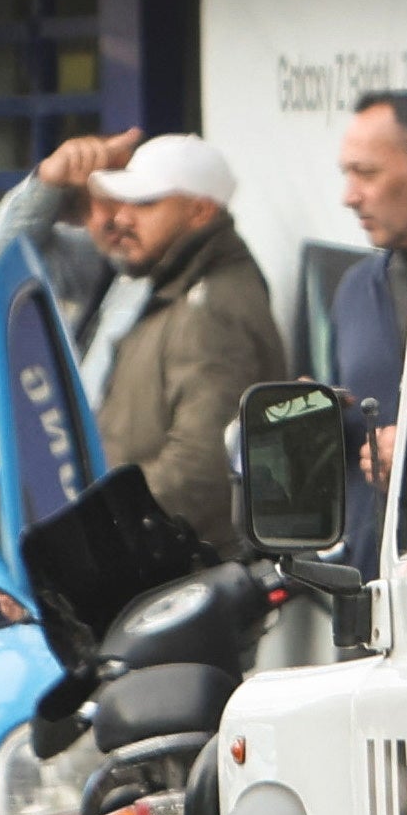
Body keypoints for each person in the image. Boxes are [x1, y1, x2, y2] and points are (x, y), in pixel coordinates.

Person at [80, 135, 287, 550]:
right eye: (124, 202)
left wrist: (100, 538)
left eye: (146, 204)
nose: (122, 218)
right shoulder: (176, 286)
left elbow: (201, 465)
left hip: (173, 571)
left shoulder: (210, 306)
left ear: (199, 211)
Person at [328, 90, 407, 572]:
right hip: (370, 579)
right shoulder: (355, 290)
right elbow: (358, 428)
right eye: (347, 174)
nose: (350, 196)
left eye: (366, 173)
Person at [0, 127, 155, 404]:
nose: (105, 218)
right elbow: (4, 252)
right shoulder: (105, 265)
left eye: (119, 197)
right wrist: (48, 180)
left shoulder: (198, 284)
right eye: (88, 205)